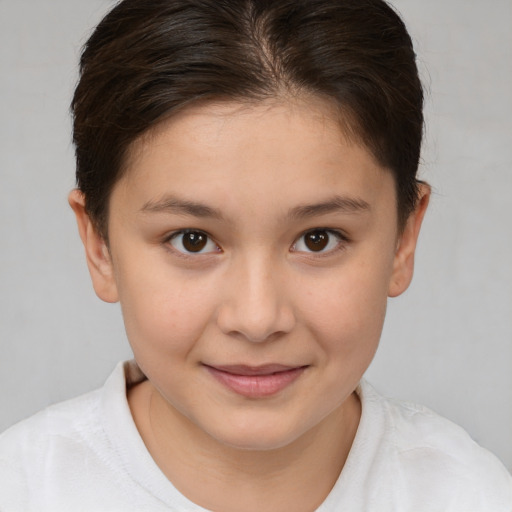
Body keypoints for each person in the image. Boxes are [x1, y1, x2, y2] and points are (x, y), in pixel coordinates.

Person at [0, 0, 510, 510]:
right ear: (99, 246)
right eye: (192, 239)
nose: (258, 318)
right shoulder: (21, 489)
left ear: (403, 239)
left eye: (318, 238)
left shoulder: (471, 495)